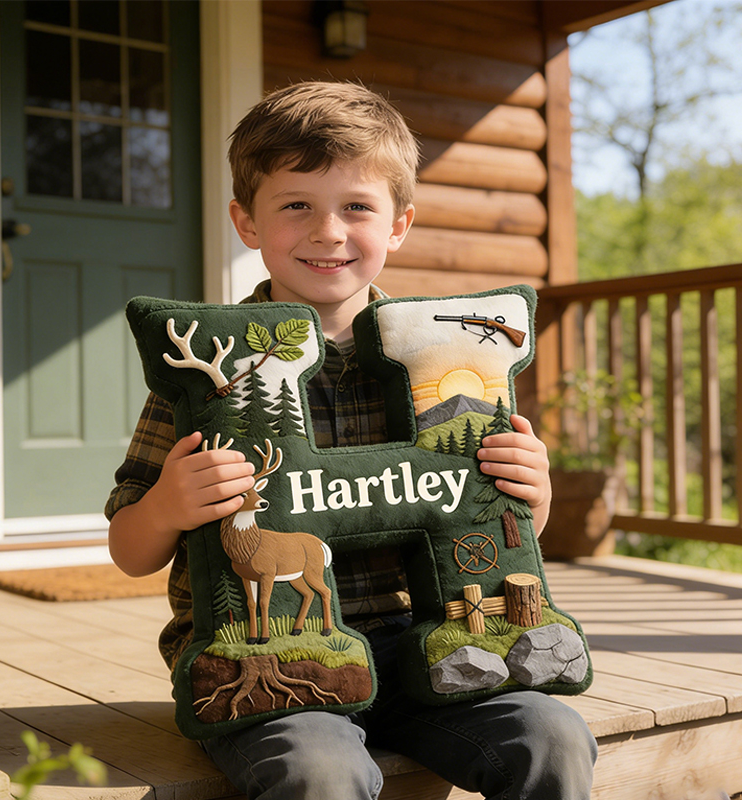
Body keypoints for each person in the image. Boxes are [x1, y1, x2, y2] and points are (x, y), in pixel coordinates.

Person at [106, 81, 597, 800]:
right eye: (296, 204)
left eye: (357, 207)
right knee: (319, 773)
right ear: (247, 222)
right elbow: (129, 549)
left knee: (551, 739)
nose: (328, 231)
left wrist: (532, 491)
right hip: (267, 653)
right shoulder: (204, 372)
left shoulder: (442, 361)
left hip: (426, 643)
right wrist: (168, 508)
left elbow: (493, 527)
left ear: (399, 223)